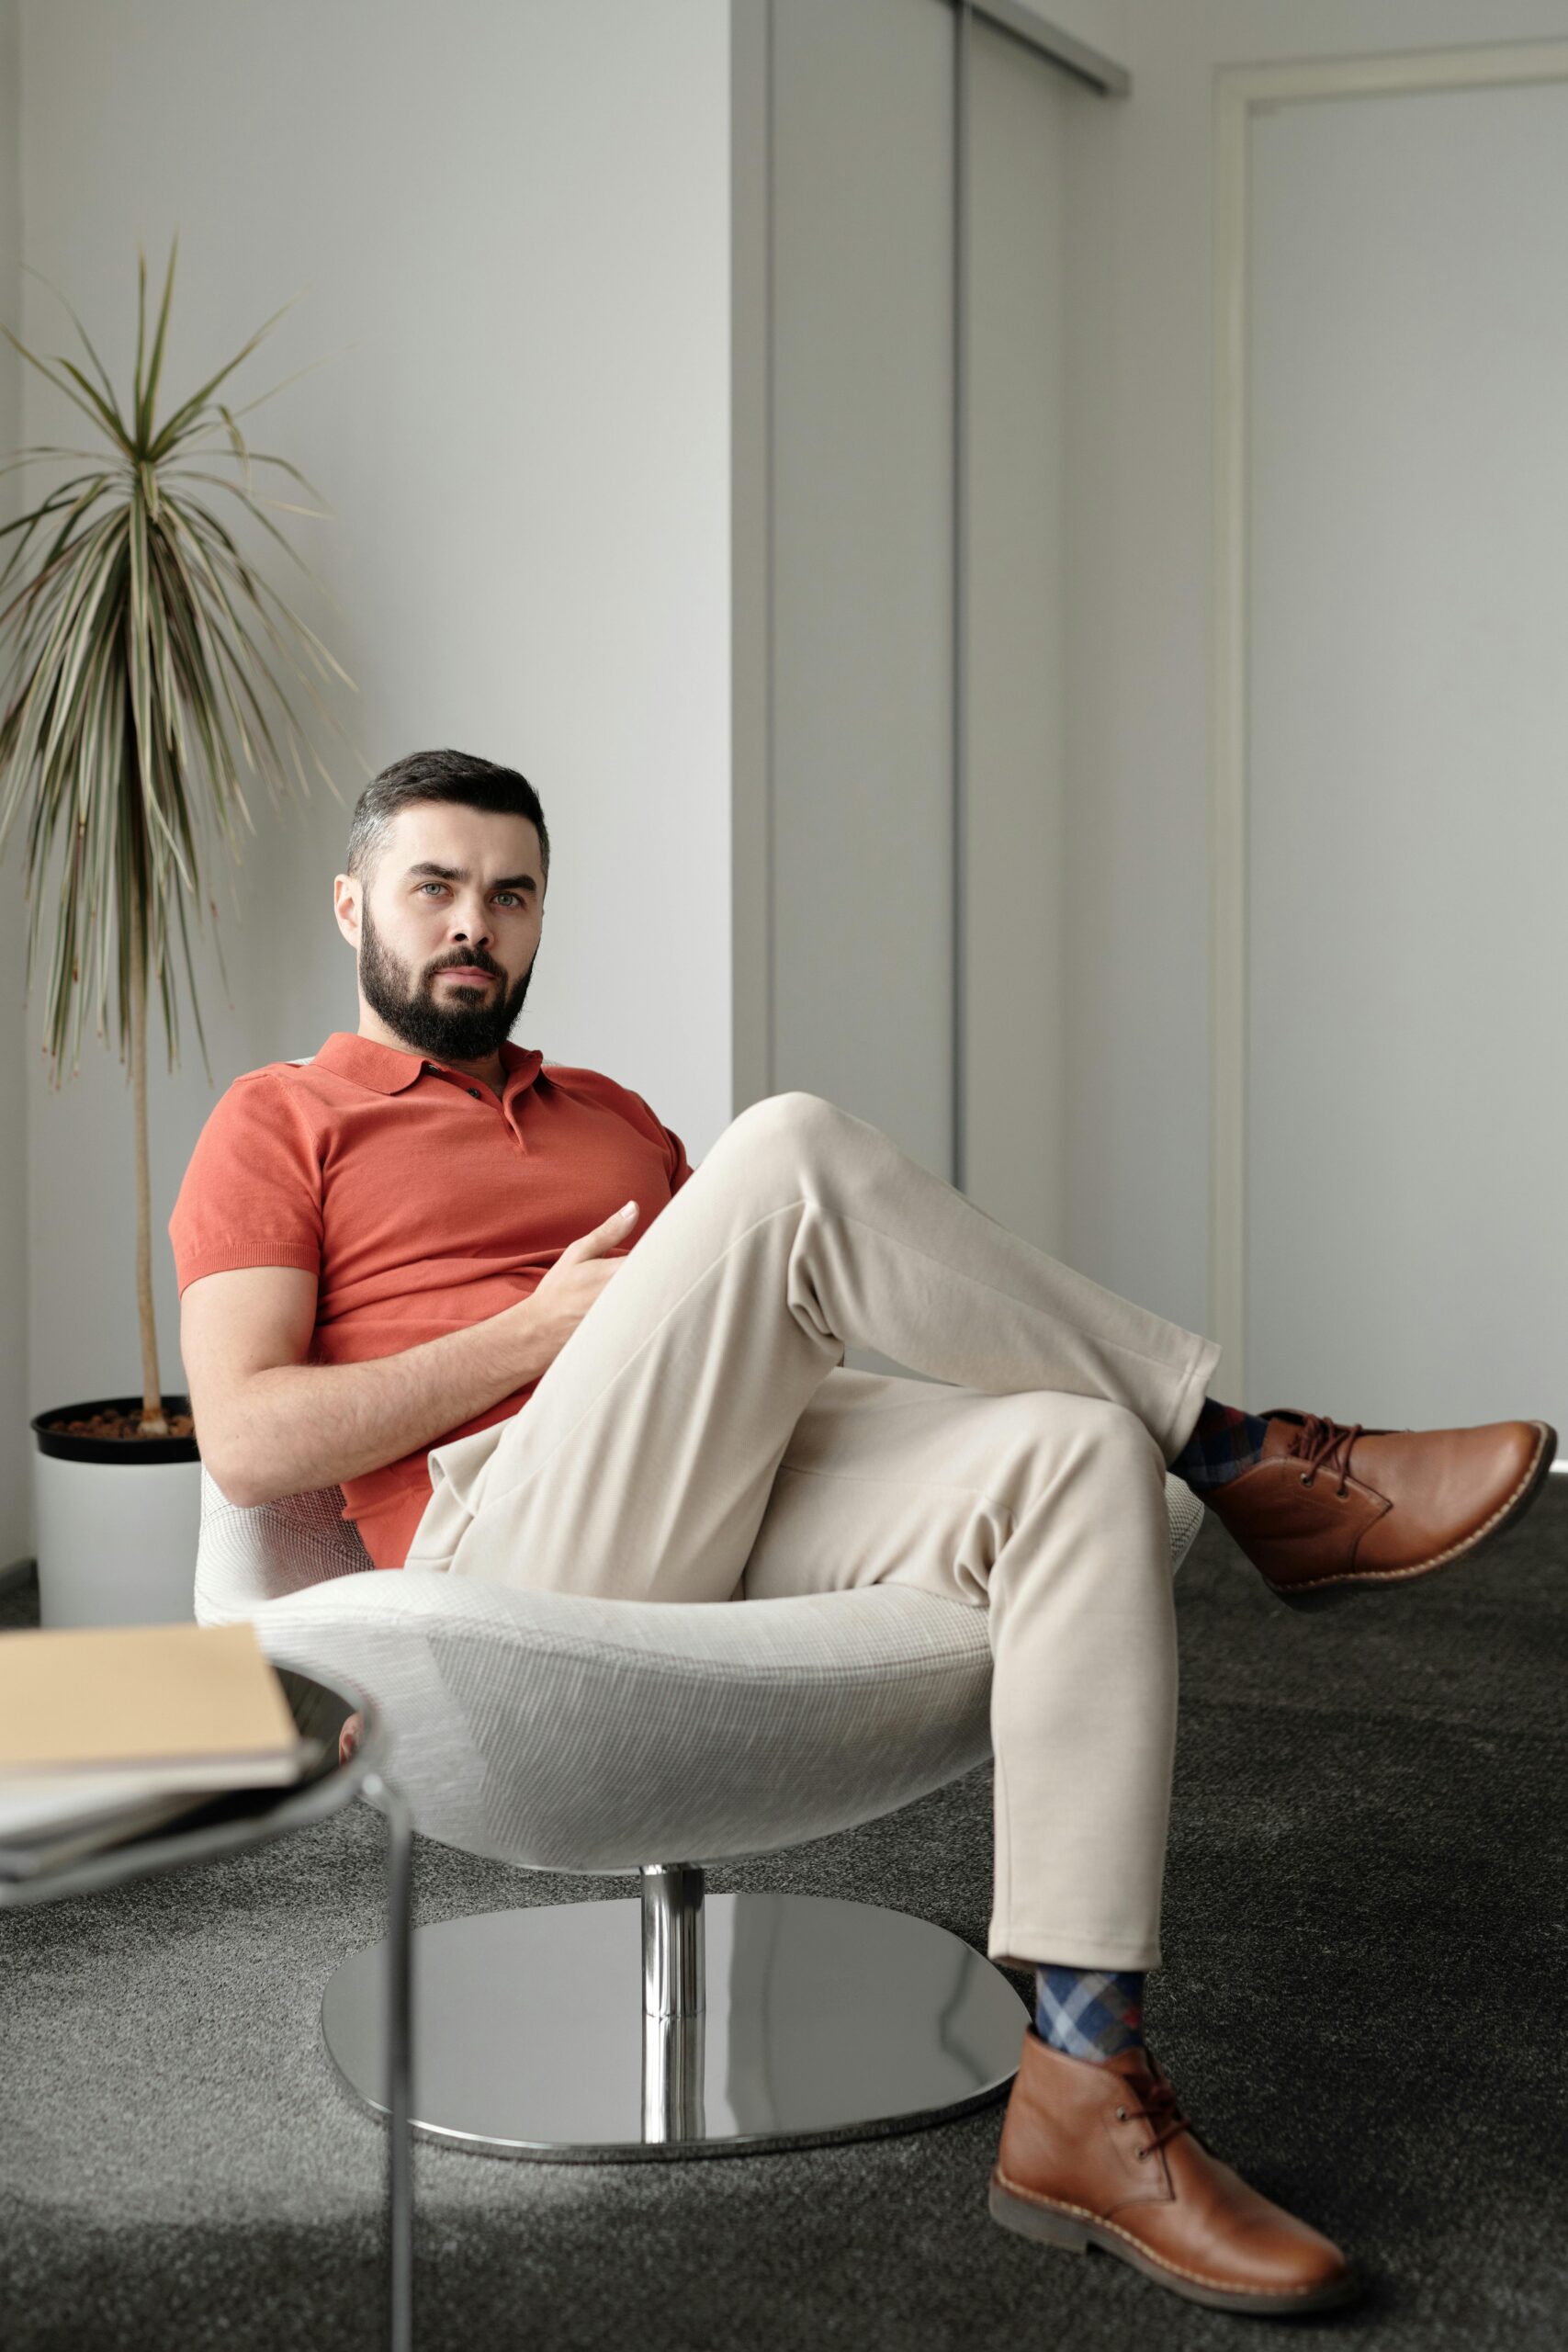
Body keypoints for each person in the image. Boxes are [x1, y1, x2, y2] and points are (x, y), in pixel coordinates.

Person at [171, 749, 1556, 2318]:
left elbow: (746, 1347)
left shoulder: (612, 1119)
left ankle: (1086, 2089)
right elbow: (247, 1436)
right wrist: (532, 1337)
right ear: (355, 902)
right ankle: (1254, 1457)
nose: (473, 923)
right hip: (496, 1543)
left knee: (1076, 1456)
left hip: (697, 1496)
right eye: (434, 887)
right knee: (791, 1149)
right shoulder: (277, 1121)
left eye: (510, 891)